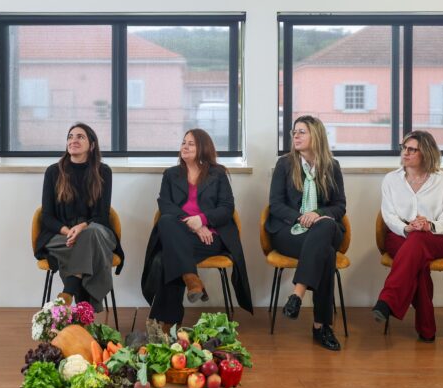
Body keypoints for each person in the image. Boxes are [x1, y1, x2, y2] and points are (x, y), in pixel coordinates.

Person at [142, 129, 252, 326]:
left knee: (166, 257)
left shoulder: (217, 174)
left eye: (191, 143)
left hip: (211, 237)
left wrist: (202, 220)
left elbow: (227, 209)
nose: (185, 146)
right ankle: (191, 278)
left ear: (203, 147)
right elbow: (165, 205)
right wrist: (192, 225)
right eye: (183, 142)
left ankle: (167, 325)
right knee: (166, 221)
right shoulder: (171, 174)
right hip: (180, 232)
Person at [266, 115, 346, 351]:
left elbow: (340, 206)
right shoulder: (285, 164)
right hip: (291, 231)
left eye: (302, 132)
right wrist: (302, 217)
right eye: (294, 132)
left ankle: (297, 294)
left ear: (316, 135)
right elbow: (276, 205)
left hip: (323, 229)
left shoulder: (332, 166)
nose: (296, 136)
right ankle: (321, 327)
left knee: (326, 225)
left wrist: (318, 213)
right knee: (327, 254)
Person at [371, 130, 443, 342]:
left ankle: (388, 300)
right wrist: (406, 228)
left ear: (425, 153)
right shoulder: (391, 179)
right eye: (404, 148)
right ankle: (427, 329)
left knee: (418, 242)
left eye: (412, 149)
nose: (405, 153)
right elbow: (388, 215)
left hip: (436, 237)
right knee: (417, 263)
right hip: (400, 235)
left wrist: (428, 225)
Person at [35, 123, 123, 311]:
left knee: (90, 235)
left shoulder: (103, 171)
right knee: (87, 246)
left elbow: (101, 215)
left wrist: (82, 227)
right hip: (61, 237)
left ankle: (69, 291)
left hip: (96, 231)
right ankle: (86, 316)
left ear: (91, 145)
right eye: (70, 136)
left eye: (80, 137)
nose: (73, 140)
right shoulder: (53, 172)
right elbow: (47, 216)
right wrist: (68, 231)